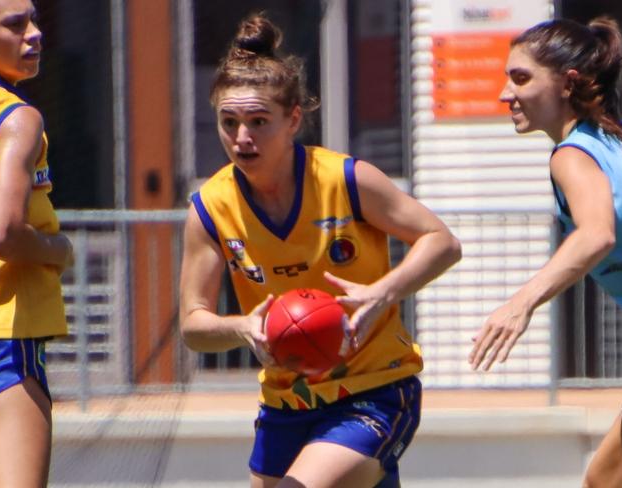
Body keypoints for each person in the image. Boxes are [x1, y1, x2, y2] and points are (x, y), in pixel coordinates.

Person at [179, 13, 461, 488]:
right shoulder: (210, 207)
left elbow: (442, 242)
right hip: (288, 401)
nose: (241, 137)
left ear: (293, 119)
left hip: (374, 388)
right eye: (229, 122)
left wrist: (383, 293)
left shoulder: (347, 180)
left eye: (257, 121)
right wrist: (241, 327)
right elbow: (193, 324)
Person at [468, 16, 622, 488]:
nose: (505, 93)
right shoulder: (621, 137)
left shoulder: (572, 154)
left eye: (520, 78)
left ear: (568, 83)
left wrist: (519, 304)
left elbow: (596, 233)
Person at [0, 0, 74, 486]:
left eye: (34, 20)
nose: (35, 34)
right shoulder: (15, 117)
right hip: (0, 336)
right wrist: (57, 250)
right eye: (15, 24)